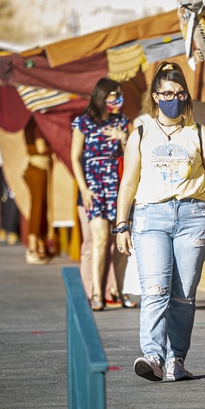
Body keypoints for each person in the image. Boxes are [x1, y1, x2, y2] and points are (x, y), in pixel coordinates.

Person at [115, 62, 205, 382]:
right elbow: (128, 182)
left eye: (180, 93)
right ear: (155, 97)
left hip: (193, 217)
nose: (174, 99)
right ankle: (153, 355)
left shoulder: (199, 133)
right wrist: (121, 224)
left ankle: (176, 359)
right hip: (150, 217)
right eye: (168, 93)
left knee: (184, 295)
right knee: (155, 289)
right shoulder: (140, 133)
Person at [72, 78, 134, 311]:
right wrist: (84, 188)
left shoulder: (122, 122)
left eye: (120, 95)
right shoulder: (83, 123)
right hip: (94, 187)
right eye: (113, 95)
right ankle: (97, 292)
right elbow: (74, 158)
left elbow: (132, 153)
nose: (117, 100)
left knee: (121, 240)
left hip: (118, 187)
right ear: (101, 96)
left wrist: (123, 138)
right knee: (99, 239)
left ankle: (116, 291)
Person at [23, 119, 52, 264]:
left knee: (39, 208)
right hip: (38, 168)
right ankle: (32, 249)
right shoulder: (37, 125)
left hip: (34, 167)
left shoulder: (29, 125)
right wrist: (56, 147)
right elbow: (41, 148)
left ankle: (39, 246)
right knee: (37, 208)